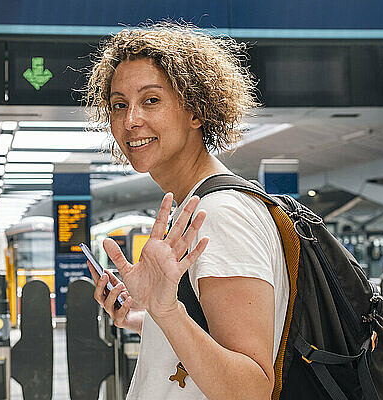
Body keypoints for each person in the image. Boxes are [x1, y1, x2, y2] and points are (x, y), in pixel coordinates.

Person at [85, 22, 289, 400]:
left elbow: (251, 389)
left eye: (151, 100)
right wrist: (147, 321)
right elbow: (208, 340)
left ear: (196, 110)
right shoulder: (196, 204)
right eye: (118, 105)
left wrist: (167, 311)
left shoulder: (221, 214)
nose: (130, 120)